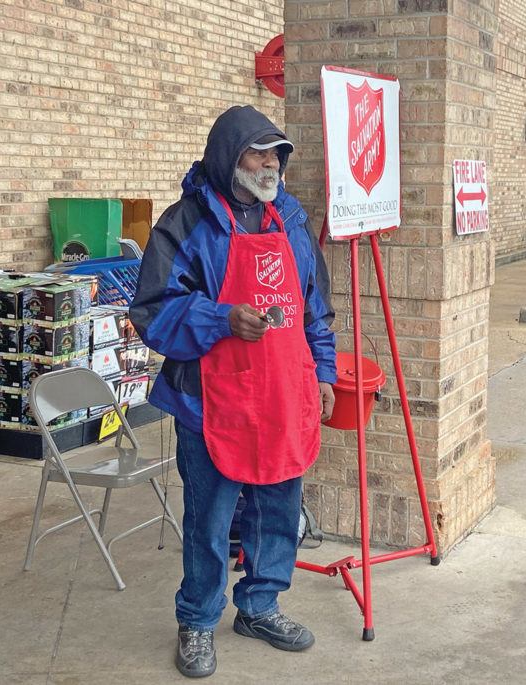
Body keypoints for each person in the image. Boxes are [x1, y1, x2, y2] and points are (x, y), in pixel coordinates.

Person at [130, 105, 337, 679]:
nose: (270, 164)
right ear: (228, 157)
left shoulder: (290, 219)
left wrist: (323, 373)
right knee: (209, 519)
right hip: (209, 401)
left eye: (277, 154)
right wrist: (221, 319)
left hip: (282, 393)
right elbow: (152, 312)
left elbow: (316, 310)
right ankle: (197, 618)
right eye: (257, 152)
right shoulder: (185, 222)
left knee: (278, 511)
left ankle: (260, 606)